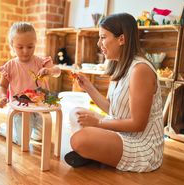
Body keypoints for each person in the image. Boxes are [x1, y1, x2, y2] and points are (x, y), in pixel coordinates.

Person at [64, 13, 164, 172]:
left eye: (103, 37)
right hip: (119, 130)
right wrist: (89, 87)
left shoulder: (140, 70)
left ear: (121, 39)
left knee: (80, 140)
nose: (99, 44)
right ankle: (91, 152)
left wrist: (98, 124)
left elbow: (138, 124)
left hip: (141, 145)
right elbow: (111, 109)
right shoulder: (118, 65)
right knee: (75, 113)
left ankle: (88, 151)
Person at [0, 22, 61, 145]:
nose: (25, 51)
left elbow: (58, 72)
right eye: (20, 47)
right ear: (12, 46)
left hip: (41, 106)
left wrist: (50, 71)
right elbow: (2, 86)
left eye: (30, 47)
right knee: (21, 141)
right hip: (21, 109)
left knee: (39, 138)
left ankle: (27, 130)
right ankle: (4, 129)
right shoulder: (10, 66)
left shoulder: (41, 62)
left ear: (35, 44)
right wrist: (3, 96)